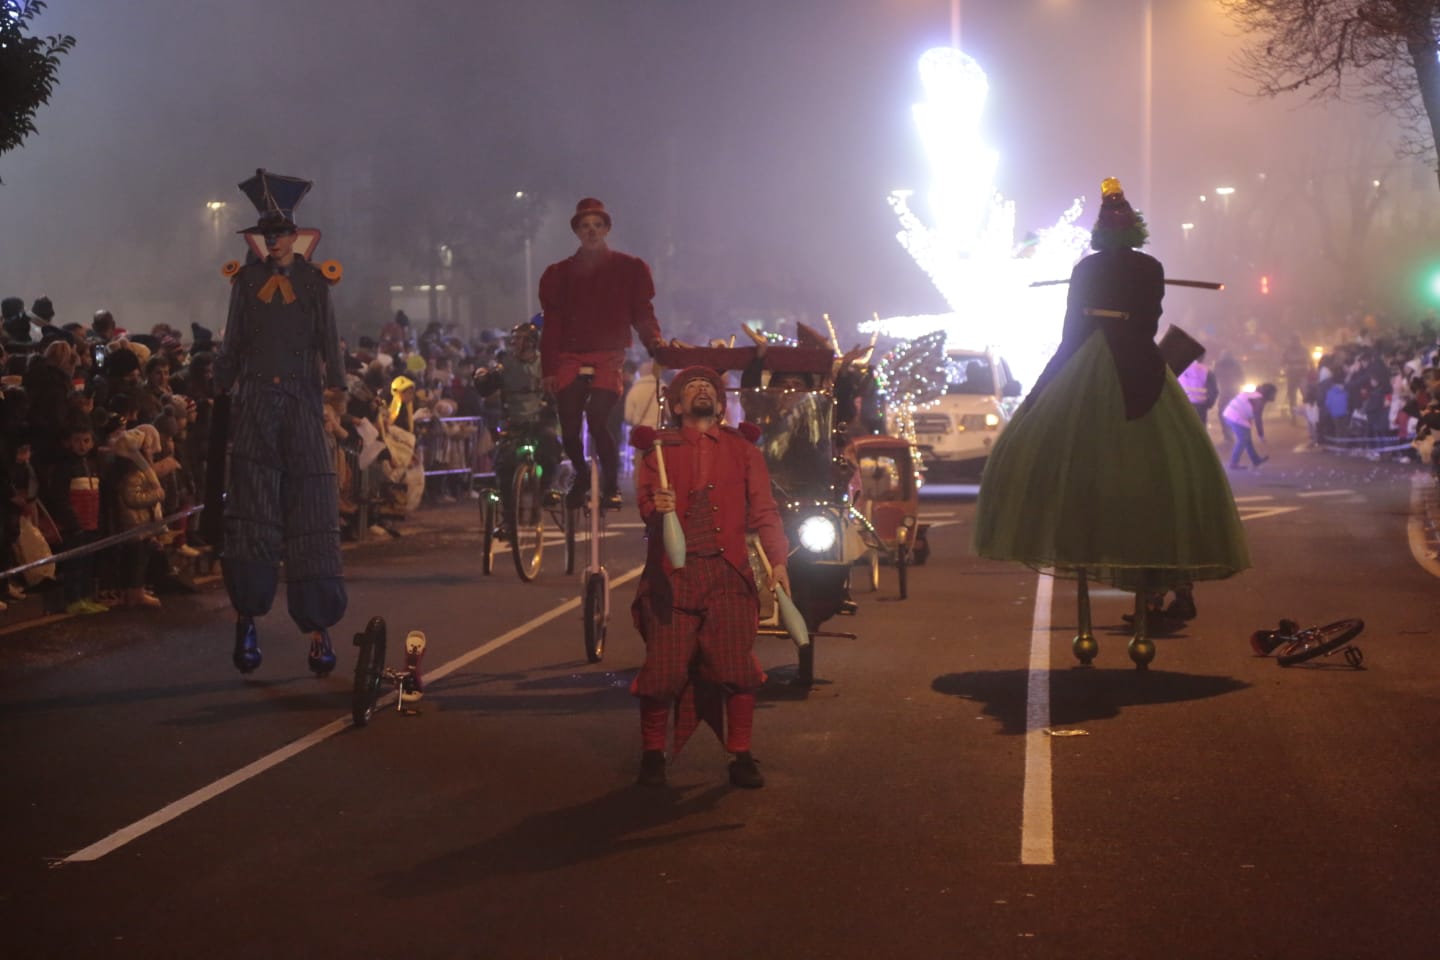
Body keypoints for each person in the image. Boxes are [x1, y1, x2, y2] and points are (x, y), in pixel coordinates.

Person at [973, 177, 1249, 667]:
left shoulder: (1089, 269)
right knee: (1160, 473)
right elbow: (1146, 324)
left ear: (1101, 234)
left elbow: (1072, 330)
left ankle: (1113, 613)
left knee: (1072, 468)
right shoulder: (1149, 268)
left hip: (1090, 361)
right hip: (1137, 364)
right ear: (1134, 230)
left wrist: (1051, 382)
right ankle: (1151, 605)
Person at [629, 366, 791, 788]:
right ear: (677, 405)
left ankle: (740, 756)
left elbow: (765, 510)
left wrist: (778, 561)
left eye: (709, 388)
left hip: (727, 576)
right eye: (691, 388)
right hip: (672, 577)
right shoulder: (657, 451)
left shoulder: (743, 450)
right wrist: (658, 506)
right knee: (662, 674)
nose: (701, 390)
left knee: (737, 668)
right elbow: (646, 507)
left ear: (720, 405)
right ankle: (651, 757)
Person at [213, 169, 347, 677]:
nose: (273, 241)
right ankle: (246, 619)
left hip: (302, 400)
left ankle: (319, 627)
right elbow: (235, 340)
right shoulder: (244, 281)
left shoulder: (315, 281)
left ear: (295, 236)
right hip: (256, 402)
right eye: (266, 235)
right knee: (252, 511)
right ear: (260, 240)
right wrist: (220, 382)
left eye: (280, 233)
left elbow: (327, 336)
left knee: (312, 508)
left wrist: (335, 385)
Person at [538, 198, 666, 511]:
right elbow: (552, 325)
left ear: (606, 229)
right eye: (585, 226)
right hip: (569, 355)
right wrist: (549, 369)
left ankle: (610, 483)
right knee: (568, 426)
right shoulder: (560, 274)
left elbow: (642, 313)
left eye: (597, 226)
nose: (592, 231)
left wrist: (655, 342)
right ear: (577, 232)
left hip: (608, 355)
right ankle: (581, 475)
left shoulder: (628, 269)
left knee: (597, 420)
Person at [472, 321, 561, 537]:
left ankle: (548, 489)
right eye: (515, 339)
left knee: (551, 447)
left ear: (532, 342)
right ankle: (508, 521)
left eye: (521, 339)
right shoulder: (505, 363)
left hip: (541, 420)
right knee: (504, 466)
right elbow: (487, 386)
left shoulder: (546, 364)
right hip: (514, 423)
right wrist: (481, 377)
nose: (516, 343)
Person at [1222, 382, 1277, 469]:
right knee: (1242, 440)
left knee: (1247, 440)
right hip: (1235, 417)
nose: (1274, 396)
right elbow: (1258, 419)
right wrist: (1261, 435)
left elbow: (1247, 409)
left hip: (1233, 415)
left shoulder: (1254, 395)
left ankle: (1256, 460)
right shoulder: (1259, 400)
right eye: (1273, 393)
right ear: (1268, 393)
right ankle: (1233, 463)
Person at [1176, 351, 1219, 429]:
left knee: (1183, 428)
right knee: (1199, 430)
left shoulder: (1181, 368)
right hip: (1200, 407)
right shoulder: (1207, 371)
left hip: (1182, 404)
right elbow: (1213, 391)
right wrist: (1209, 404)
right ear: (1202, 357)